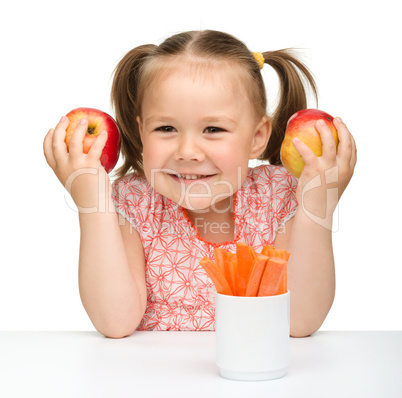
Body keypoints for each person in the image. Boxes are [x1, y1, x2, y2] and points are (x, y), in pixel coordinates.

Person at [43, 30, 356, 337]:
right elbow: (115, 322)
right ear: (141, 133)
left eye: (213, 129)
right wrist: (91, 202)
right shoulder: (134, 201)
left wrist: (319, 205)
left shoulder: (280, 196)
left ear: (257, 137)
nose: (187, 152)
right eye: (166, 128)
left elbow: (298, 322)